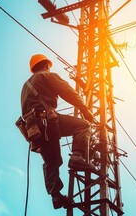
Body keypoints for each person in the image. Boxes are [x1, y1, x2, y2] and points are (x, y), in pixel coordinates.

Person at [20, 54, 96, 209]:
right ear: (47, 64)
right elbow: (68, 92)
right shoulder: (47, 75)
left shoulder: (24, 87)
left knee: (51, 160)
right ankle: (77, 156)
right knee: (83, 126)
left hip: (34, 130)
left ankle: (56, 196)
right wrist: (85, 109)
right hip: (47, 120)